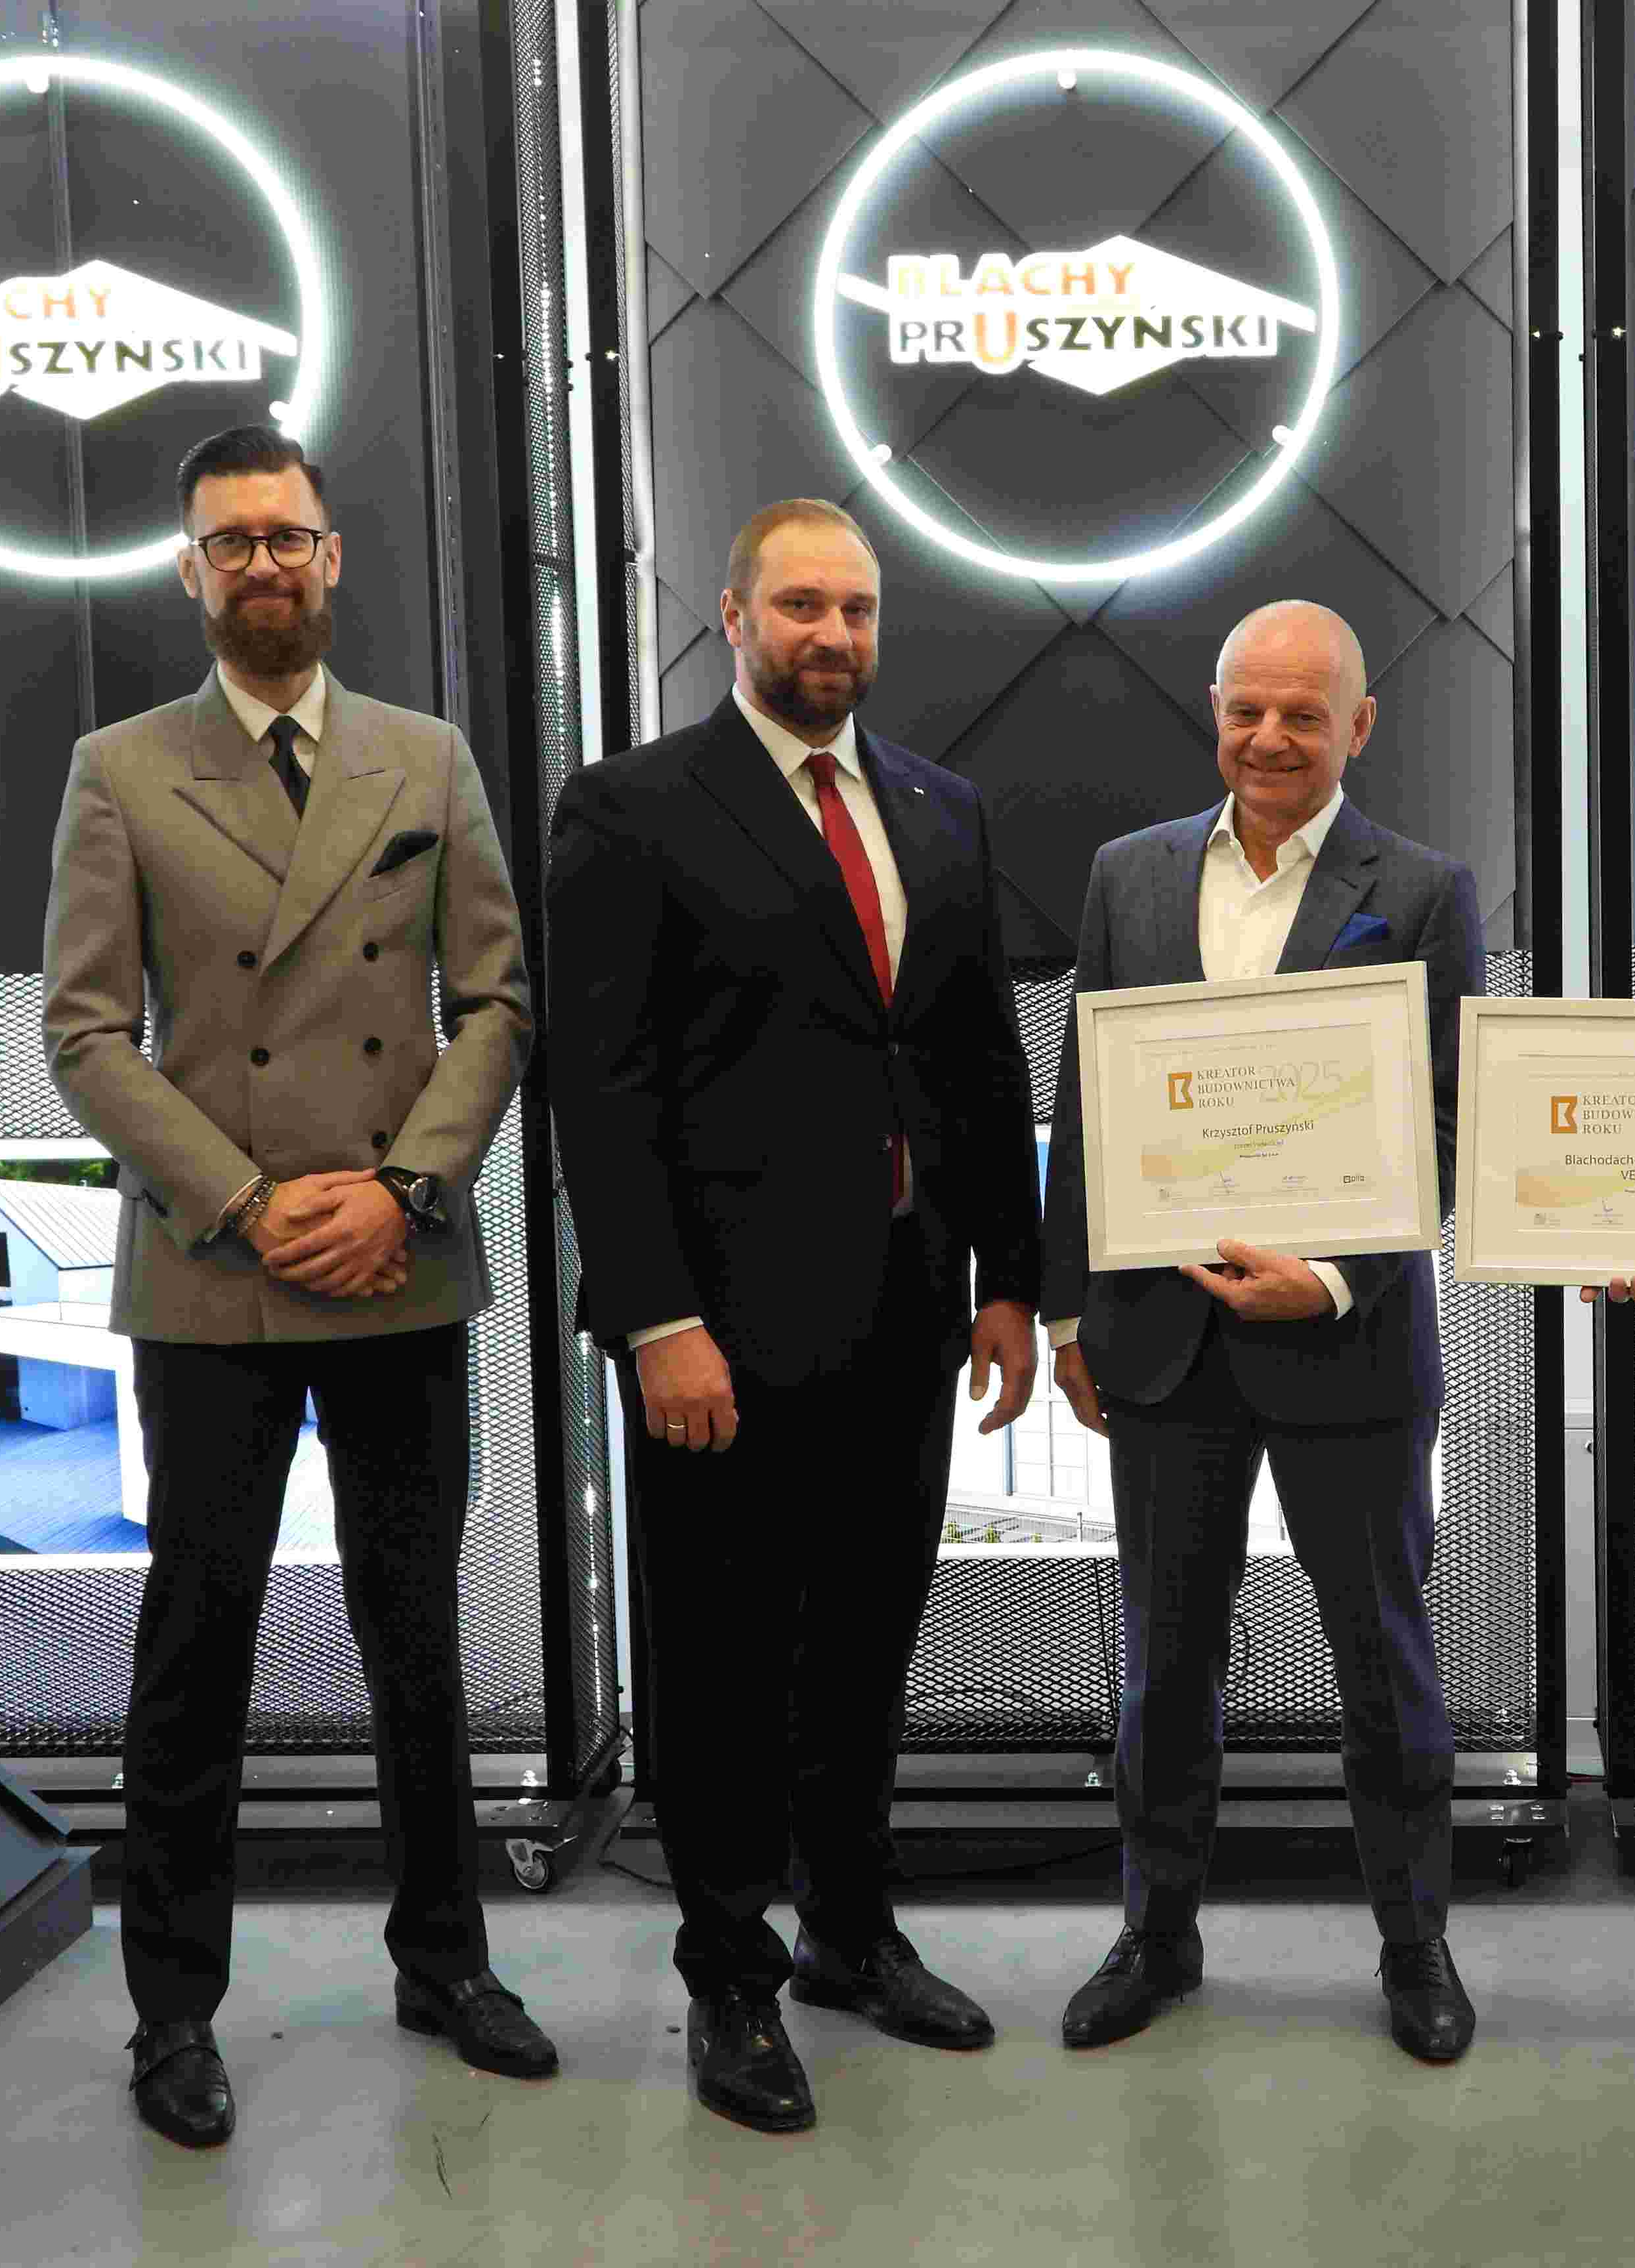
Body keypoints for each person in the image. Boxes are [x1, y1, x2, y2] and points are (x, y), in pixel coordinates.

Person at [42, 424, 549, 2151]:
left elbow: (496, 1000)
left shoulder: (427, 759)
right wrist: (250, 1204)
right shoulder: (122, 770)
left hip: (399, 1258)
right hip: (218, 1272)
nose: (263, 563)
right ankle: (173, 2011)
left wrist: (404, 1189)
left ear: (332, 559)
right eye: (232, 540)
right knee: (197, 1646)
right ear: (190, 572)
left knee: (420, 1640)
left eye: (287, 536)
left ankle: (447, 1961)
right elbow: (87, 1033)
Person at [545, 499, 1042, 2135]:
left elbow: (977, 1059)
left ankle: (850, 1932)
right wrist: (654, 1320)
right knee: (723, 1660)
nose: (834, 635)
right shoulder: (631, 808)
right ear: (733, 616)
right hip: (723, 1334)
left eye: (858, 610)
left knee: (868, 1640)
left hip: (906, 1310)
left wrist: (1013, 1278)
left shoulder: (940, 807)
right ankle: (730, 1974)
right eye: (803, 606)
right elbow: (601, 1089)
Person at [1041, 600, 1481, 2065]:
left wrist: (1339, 1277)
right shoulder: (1129, 875)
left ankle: (1415, 1945)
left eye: (1304, 714)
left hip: (1347, 1343)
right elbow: (1088, 1104)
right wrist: (1067, 1308)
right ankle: (1156, 1933)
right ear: (1214, 712)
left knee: (1384, 1664)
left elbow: (1447, 1116)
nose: (1272, 739)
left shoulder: (1421, 891)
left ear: (1360, 725)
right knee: (1165, 1666)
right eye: (1248, 710)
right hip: (1161, 1341)